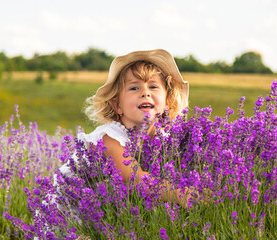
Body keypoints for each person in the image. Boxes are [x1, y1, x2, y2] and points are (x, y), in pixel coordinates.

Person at [55, 49, 190, 207]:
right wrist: (183, 194)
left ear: (167, 102)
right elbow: (136, 180)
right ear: (117, 105)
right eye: (134, 88)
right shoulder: (109, 139)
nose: (145, 93)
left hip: (102, 208)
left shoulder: (163, 138)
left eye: (153, 87)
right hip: (67, 211)